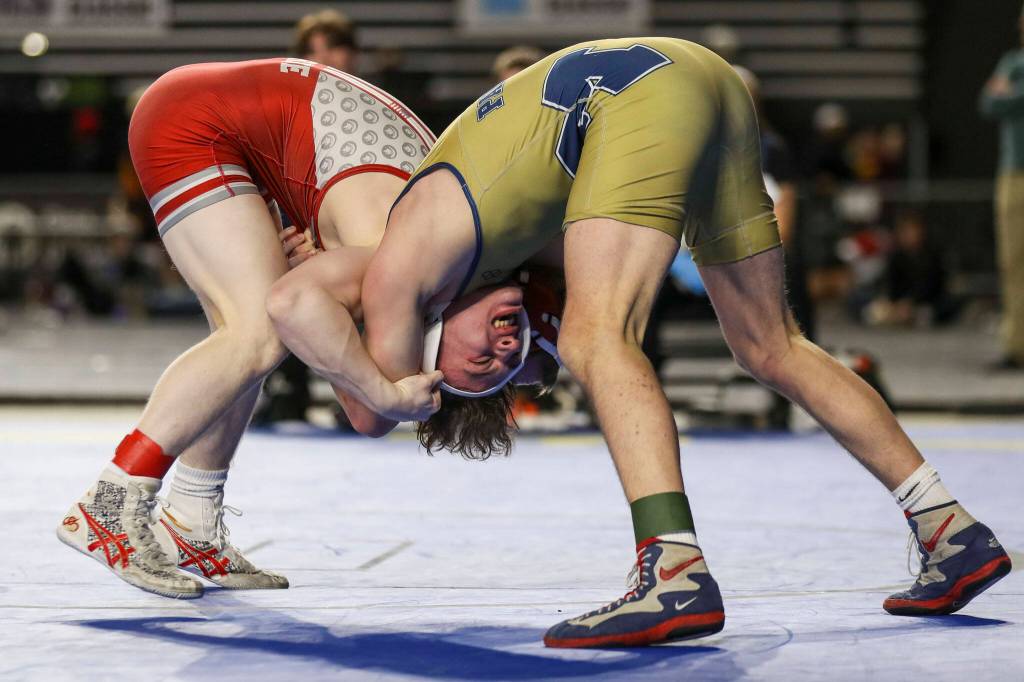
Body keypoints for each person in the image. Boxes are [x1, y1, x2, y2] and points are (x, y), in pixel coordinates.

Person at [273, 37, 1011, 647]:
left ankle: (672, 569)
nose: (507, 349)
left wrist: (381, 380)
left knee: (600, 337)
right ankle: (948, 529)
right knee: (769, 345)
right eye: (510, 365)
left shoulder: (405, 263)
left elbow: (366, 409)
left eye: (478, 362)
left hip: (637, 99)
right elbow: (556, 333)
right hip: (712, 84)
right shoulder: (503, 261)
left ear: (427, 334)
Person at [57, 57, 444, 598]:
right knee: (261, 329)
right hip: (198, 121)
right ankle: (112, 500)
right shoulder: (395, 249)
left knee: (253, 328)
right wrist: (391, 392)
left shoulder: (425, 241)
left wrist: (319, 262)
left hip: (225, 121)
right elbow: (363, 409)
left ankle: (191, 520)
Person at [255, 8, 364, 425]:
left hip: (363, 236)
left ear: (353, 54)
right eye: (312, 51)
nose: (325, 59)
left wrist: (339, 247)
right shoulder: (287, 114)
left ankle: (360, 391)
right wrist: (290, 239)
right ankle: (285, 385)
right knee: (276, 268)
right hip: (305, 227)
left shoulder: (384, 112)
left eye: (333, 47)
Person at [980, 8, 1024, 370]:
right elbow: (989, 103)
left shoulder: (1013, 73)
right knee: (1012, 261)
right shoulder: (1012, 62)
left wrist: (1013, 95)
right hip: (1014, 174)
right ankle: (1016, 345)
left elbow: (1004, 99)